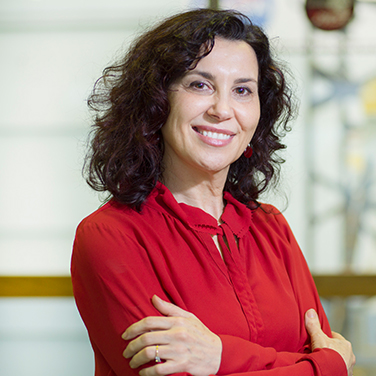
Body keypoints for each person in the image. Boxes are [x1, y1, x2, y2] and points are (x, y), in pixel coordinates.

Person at [71, 8, 356, 376]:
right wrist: (324, 367)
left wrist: (219, 356)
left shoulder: (271, 227)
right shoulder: (111, 237)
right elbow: (331, 360)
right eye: (200, 84)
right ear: (157, 101)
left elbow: (323, 346)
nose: (223, 110)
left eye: (242, 90)